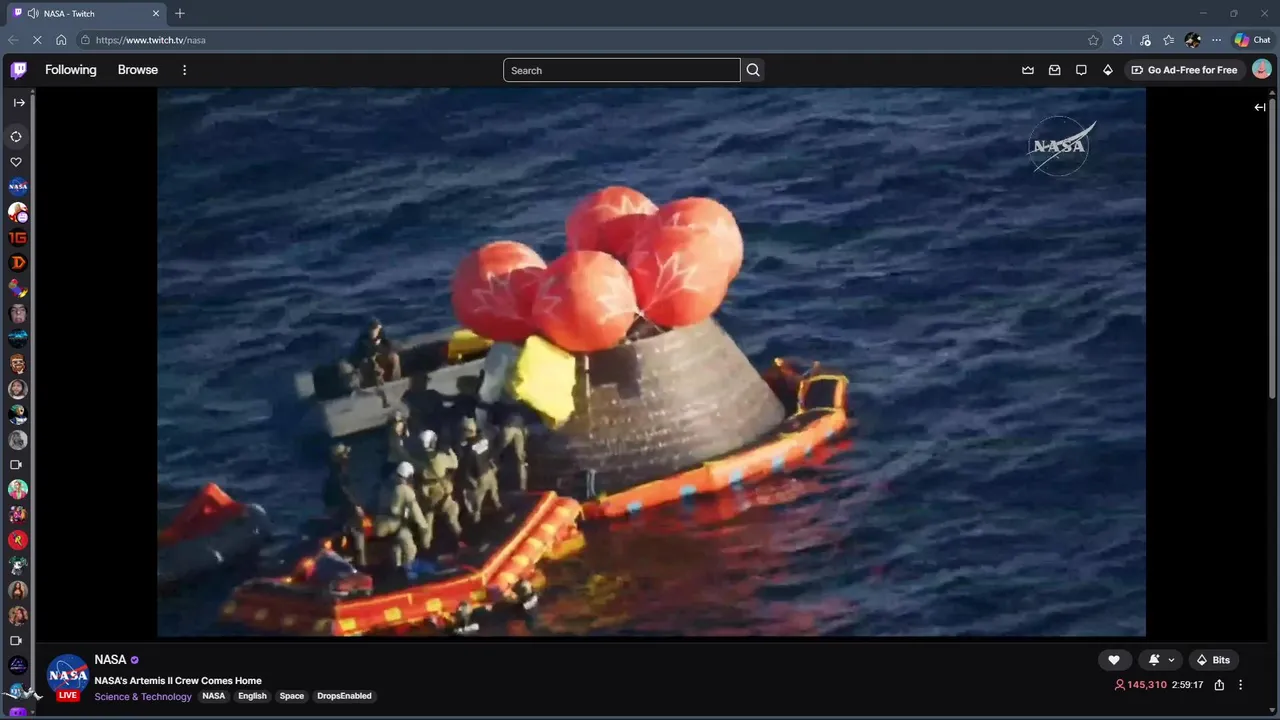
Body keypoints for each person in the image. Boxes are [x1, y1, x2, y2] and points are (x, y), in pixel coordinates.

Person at [373, 461, 431, 570]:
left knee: (396, 548)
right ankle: (407, 572)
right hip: (394, 524)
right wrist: (424, 529)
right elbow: (416, 513)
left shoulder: (385, 485)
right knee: (411, 550)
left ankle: (396, 571)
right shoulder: (404, 489)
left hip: (381, 524)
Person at [324, 443, 367, 566]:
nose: (348, 456)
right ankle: (361, 562)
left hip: (334, 508)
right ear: (339, 457)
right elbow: (346, 491)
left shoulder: (332, 472)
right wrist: (356, 506)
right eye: (345, 454)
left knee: (342, 532)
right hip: (341, 508)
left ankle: (343, 557)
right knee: (358, 530)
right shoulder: (340, 473)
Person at [415, 451, 464, 553]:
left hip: (430, 498)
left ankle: (426, 548)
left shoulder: (418, 461)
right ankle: (461, 540)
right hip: (440, 494)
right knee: (452, 520)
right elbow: (455, 463)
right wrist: (450, 450)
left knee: (427, 527)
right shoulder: (441, 458)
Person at [456, 416, 501, 523]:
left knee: (478, 499)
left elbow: (466, 466)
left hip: (480, 476)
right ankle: (499, 507)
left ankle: (476, 518)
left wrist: (470, 479)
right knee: (494, 492)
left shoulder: (468, 448)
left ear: (467, 431)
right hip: (489, 471)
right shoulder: (484, 438)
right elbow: (490, 453)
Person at [338, 318, 402, 392]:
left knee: (394, 357)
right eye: (372, 329)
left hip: (381, 366)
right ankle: (370, 390)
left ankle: (394, 384)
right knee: (368, 364)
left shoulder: (385, 342)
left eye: (376, 328)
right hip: (367, 371)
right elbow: (358, 359)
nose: (374, 331)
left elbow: (391, 350)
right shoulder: (362, 344)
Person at [496, 413, 528, 491]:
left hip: (509, 424)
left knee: (496, 455)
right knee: (521, 461)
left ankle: (495, 482)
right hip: (520, 425)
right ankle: (523, 487)